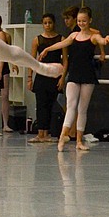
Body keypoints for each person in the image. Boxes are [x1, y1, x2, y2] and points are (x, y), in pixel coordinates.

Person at [39, 7, 109, 151]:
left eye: (84, 21)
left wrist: (107, 39)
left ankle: (79, 141)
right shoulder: (73, 36)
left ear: (90, 21)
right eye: (79, 21)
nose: (81, 23)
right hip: (74, 74)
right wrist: (47, 49)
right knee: (71, 107)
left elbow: (101, 39)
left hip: (88, 75)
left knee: (82, 109)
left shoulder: (93, 36)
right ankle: (63, 137)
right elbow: (61, 44)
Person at [28, 13, 66, 143]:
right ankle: (40, 133)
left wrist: (62, 78)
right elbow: (31, 60)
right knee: (41, 104)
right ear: (42, 24)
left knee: (51, 104)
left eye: (50, 22)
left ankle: (48, 133)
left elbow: (65, 61)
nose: (48, 25)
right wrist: (29, 78)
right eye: (45, 23)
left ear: (54, 23)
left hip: (55, 75)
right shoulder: (37, 40)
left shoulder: (61, 39)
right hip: (41, 75)